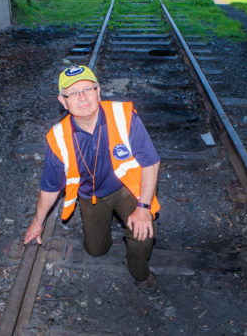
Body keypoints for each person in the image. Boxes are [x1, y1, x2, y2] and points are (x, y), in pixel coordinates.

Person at [23, 65, 161, 290]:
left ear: (99, 91)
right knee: (96, 250)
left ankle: (140, 272)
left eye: (88, 88)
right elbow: (50, 187)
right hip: (92, 196)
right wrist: (37, 222)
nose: (82, 97)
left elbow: (151, 162)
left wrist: (143, 207)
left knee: (143, 235)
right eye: (73, 93)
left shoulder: (123, 116)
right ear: (63, 101)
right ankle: (106, 236)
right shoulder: (58, 138)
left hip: (126, 187)